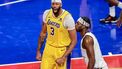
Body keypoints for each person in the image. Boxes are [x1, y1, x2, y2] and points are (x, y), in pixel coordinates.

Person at [36, 0, 77, 69]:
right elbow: (43, 33)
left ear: (61, 5)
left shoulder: (68, 18)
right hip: (48, 48)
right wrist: (38, 51)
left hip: (62, 50)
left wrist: (63, 57)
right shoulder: (47, 13)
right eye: (53, 4)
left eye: (57, 4)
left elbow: (74, 41)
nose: (54, 6)